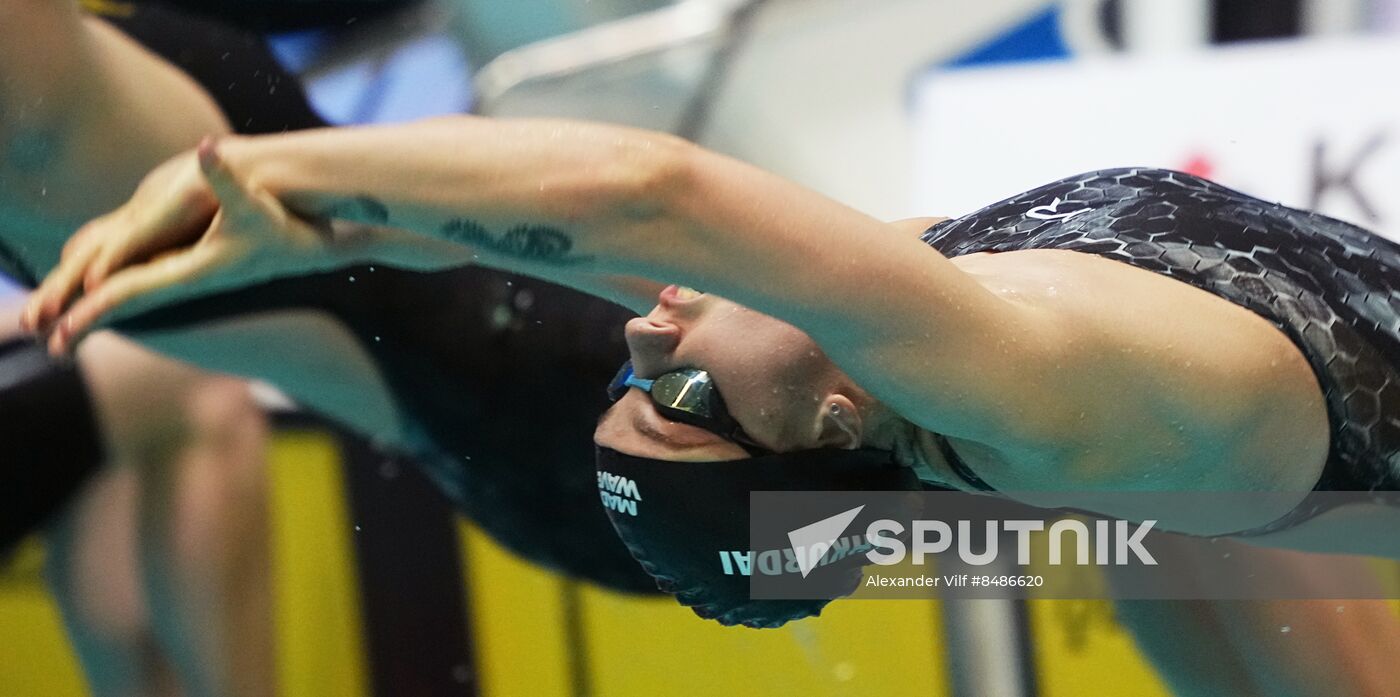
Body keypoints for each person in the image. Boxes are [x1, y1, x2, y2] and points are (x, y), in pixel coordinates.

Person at [24, 116, 1400, 619]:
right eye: (678, 400)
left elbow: (609, 259)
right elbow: (651, 192)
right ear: (837, 424)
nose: (643, 335)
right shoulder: (1037, 396)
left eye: (631, 381)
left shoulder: (894, 366)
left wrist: (312, 235)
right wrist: (268, 168)